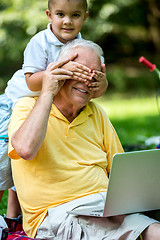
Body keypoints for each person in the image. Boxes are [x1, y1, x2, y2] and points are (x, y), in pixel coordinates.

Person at [8, 39, 160, 240]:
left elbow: (120, 172)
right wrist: (47, 91)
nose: (87, 81)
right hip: (59, 215)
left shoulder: (96, 112)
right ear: (60, 71)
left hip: (106, 210)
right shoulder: (27, 106)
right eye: (78, 72)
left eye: (94, 75)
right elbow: (26, 150)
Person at [0, 0, 108, 217]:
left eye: (75, 15)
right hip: (15, 104)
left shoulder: (84, 47)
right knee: (3, 163)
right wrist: (60, 70)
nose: (67, 21)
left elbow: (92, 88)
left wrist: (101, 85)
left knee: (23, 168)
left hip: (44, 107)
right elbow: (31, 82)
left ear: (85, 17)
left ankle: (14, 220)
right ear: (49, 15)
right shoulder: (40, 42)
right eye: (60, 14)